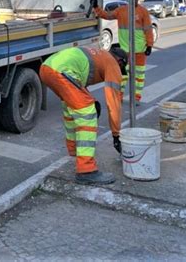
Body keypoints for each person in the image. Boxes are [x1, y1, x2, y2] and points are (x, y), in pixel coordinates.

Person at [39, 45, 127, 185]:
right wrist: (116, 135)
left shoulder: (100, 54)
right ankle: (86, 170)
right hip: (61, 72)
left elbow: (78, 79)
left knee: (70, 108)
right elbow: (114, 103)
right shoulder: (112, 63)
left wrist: (94, 100)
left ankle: (74, 149)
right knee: (87, 113)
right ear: (120, 62)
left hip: (47, 68)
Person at [93, 0, 153, 104]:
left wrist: (149, 45)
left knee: (139, 76)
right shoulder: (121, 10)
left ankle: (136, 98)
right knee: (123, 76)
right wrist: (96, 7)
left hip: (140, 50)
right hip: (125, 51)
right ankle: (119, 97)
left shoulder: (143, 12)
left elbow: (148, 30)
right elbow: (107, 15)